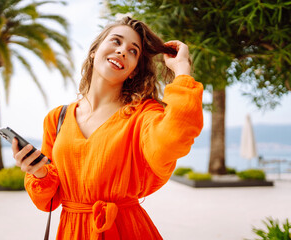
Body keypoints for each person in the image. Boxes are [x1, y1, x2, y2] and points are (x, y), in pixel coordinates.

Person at [12, 17, 203, 239]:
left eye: (133, 51)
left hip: (125, 230)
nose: (122, 51)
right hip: (72, 232)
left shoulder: (142, 114)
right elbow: (47, 201)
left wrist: (181, 68)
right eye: (116, 41)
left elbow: (176, 136)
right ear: (95, 51)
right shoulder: (57, 118)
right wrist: (39, 172)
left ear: (133, 71)